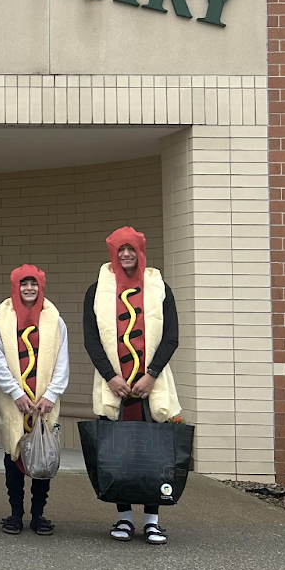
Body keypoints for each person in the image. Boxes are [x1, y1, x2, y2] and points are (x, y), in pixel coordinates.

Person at [84, 225, 182, 546]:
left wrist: (151, 374)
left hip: (150, 386)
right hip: (116, 387)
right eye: (120, 250)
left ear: (140, 252)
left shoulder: (160, 288)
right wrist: (111, 377)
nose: (126, 255)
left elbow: (171, 338)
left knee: (154, 451)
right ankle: (124, 518)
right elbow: (91, 340)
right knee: (118, 451)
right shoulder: (95, 290)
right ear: (113, 253)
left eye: (131, 249)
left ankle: (152, 521)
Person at [0, 265, 69, 536]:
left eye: (33, 284)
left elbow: (62, 361)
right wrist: (16, 393)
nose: (29, 289)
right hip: (15, 403)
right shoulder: (1, 319)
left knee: (42, 455)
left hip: (44, 404)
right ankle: (15, 514)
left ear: (41, 286)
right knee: (13, 453)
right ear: (15, 286)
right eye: (23, 284)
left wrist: (51, 394)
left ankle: (38, 515)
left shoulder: (55, 319)